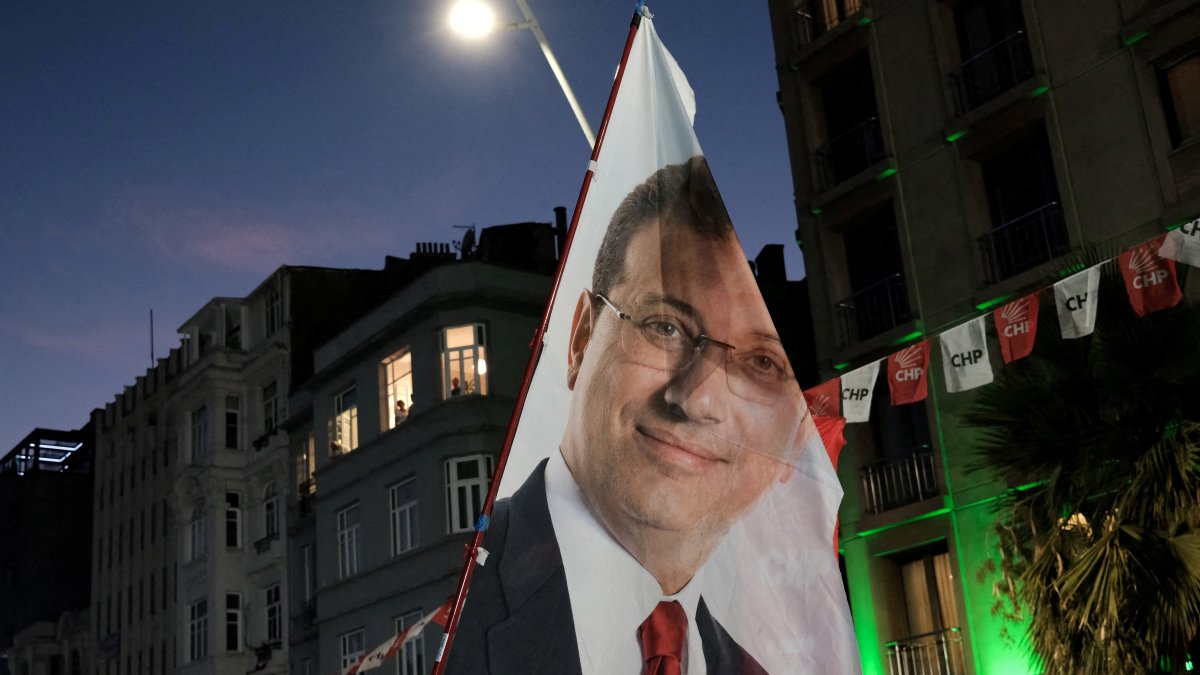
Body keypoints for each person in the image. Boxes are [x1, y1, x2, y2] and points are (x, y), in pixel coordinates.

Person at [445, 157, 814, 675]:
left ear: (796, 440)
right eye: (665, 327)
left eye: (760, 364)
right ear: (580, 340)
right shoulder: (448, 595)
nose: (698, 399)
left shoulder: (757, 664)